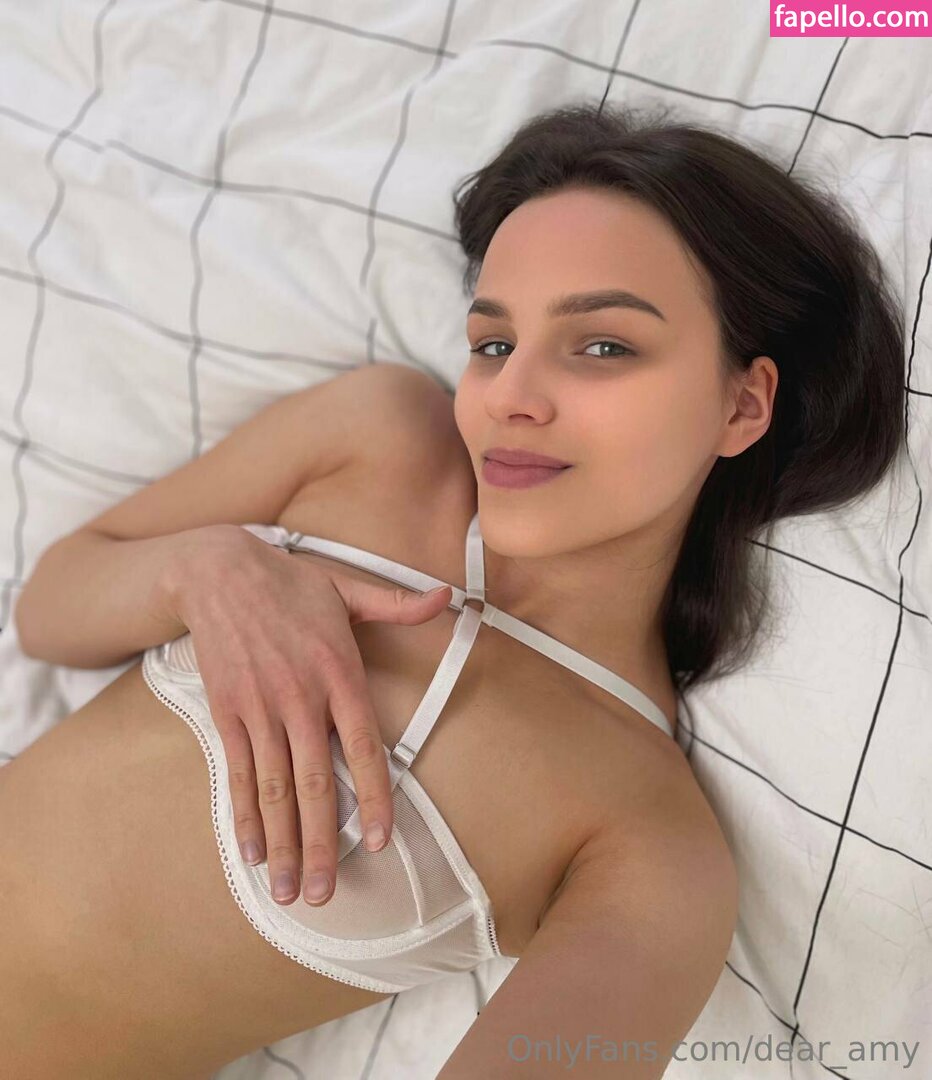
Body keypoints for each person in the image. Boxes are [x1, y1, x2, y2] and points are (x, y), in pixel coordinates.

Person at [1, 100, 904, 1078]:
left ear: (741, 404)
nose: (511, 395)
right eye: (492, 344)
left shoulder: (645, 842)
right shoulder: (381, 435)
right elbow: (47, 607)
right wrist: (209, 568)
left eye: (602, 346)